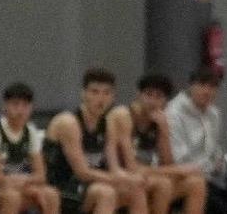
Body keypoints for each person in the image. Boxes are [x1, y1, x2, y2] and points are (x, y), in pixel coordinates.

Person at [43, 68, 148, 214]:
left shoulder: (108, 123)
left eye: (106, 93)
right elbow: (82, 172)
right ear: (83, 94)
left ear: (113, 97)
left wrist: (129, 178)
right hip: (60, 186)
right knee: (106, 193)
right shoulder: (69, 122)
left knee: (136, 189)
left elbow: (113, 167)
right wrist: (119, 179)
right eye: (95, 92)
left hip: (89, 185)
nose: (101, 99)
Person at [168, 68, 227, 213]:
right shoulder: (174, 114)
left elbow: (215, 153)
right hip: (184, 181)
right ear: (191, 86)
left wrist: (219, 164)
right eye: (202, 85)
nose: (207, 91)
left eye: (212, 87)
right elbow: (179, 161)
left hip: (209, 180)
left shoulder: (213, 114)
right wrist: (211, 166)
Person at [107, 73, 207, 214]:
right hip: (121, 178)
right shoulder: (124, 115)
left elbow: (166, 163)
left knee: (196, 183)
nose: (152, 101)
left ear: (166, 101)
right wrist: (179, 170)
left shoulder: (159, 120)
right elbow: (132, 168)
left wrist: (164, 131)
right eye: (148, 95)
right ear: (138, 94)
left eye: (158, 97)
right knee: (163, 184)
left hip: (145, 178)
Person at [0, 83, 60, 214]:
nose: (20, 110)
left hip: (19, 188)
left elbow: (41, 175)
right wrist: (28, 188)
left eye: (25, 106)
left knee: (51, 195)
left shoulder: (30, 131)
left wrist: (28, 186)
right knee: (12, 198)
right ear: (5, 106)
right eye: (15, 105)